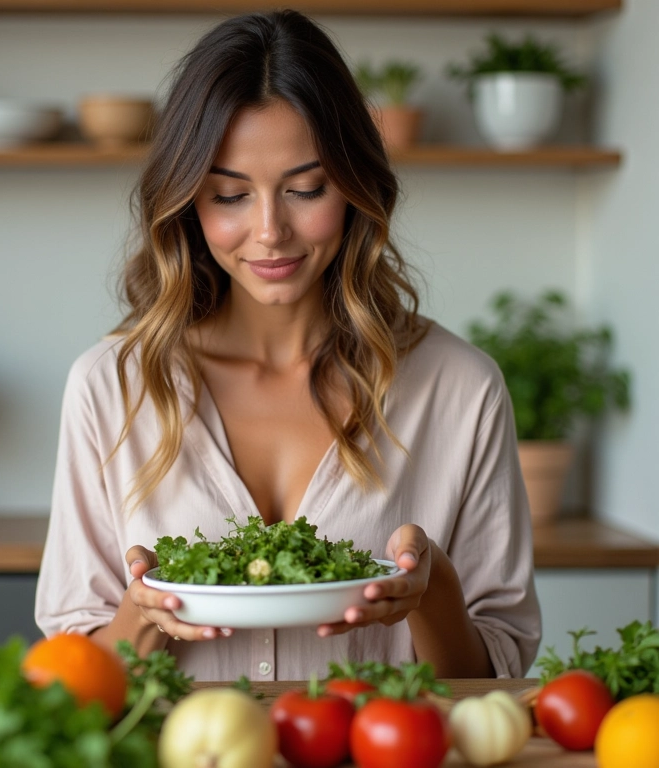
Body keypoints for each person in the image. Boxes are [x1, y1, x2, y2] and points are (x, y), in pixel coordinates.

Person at [35, 9, 541, 682]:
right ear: (187, 202)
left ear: (355, 187)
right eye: (229, 195)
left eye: (306, 189)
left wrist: (432, 587)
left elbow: (494, 677)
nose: (271, 230)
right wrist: (144, 613)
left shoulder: (461, 388)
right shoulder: (112, 386)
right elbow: (73, 677)